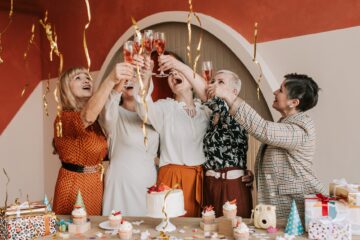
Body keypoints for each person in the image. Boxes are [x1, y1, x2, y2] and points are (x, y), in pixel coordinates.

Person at [207, 73, 326, 219]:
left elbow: (263, 130)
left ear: (294, 102)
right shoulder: (285, 123)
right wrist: (256, 175)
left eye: (281, 90)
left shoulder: (302, 128)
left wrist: (228, 95)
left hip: (297, 208)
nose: (275, 92)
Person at [135, 53, 209, 217]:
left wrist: (178, 65)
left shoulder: (206, 111)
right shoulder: (165, 108)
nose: (174, 74)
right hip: (171, 178)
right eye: (170, 73)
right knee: (169, 227)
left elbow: (209, 95)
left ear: (191, 80)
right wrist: (146, 76)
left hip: (200, 179)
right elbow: (143, 109)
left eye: (178, 71)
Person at [53, 64, 132, 215]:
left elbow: (114, 94)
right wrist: (110, 78)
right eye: (78, 78)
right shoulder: (64, 118)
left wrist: (126, 72)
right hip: (74, 185)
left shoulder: (96, 120)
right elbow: (87, 116)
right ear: (66, 89)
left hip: (95, 184)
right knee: (72, 234)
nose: (86, 80)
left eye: (88, 77)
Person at [101, 56, 160, 216]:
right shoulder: (114, 113)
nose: (131, 80)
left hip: (147, 181)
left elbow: (144, 110)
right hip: (119, 184)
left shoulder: (154, 113)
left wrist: (146, 77)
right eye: (127, 76)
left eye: (136, 77)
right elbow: (107, 115)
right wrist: (119, 82)